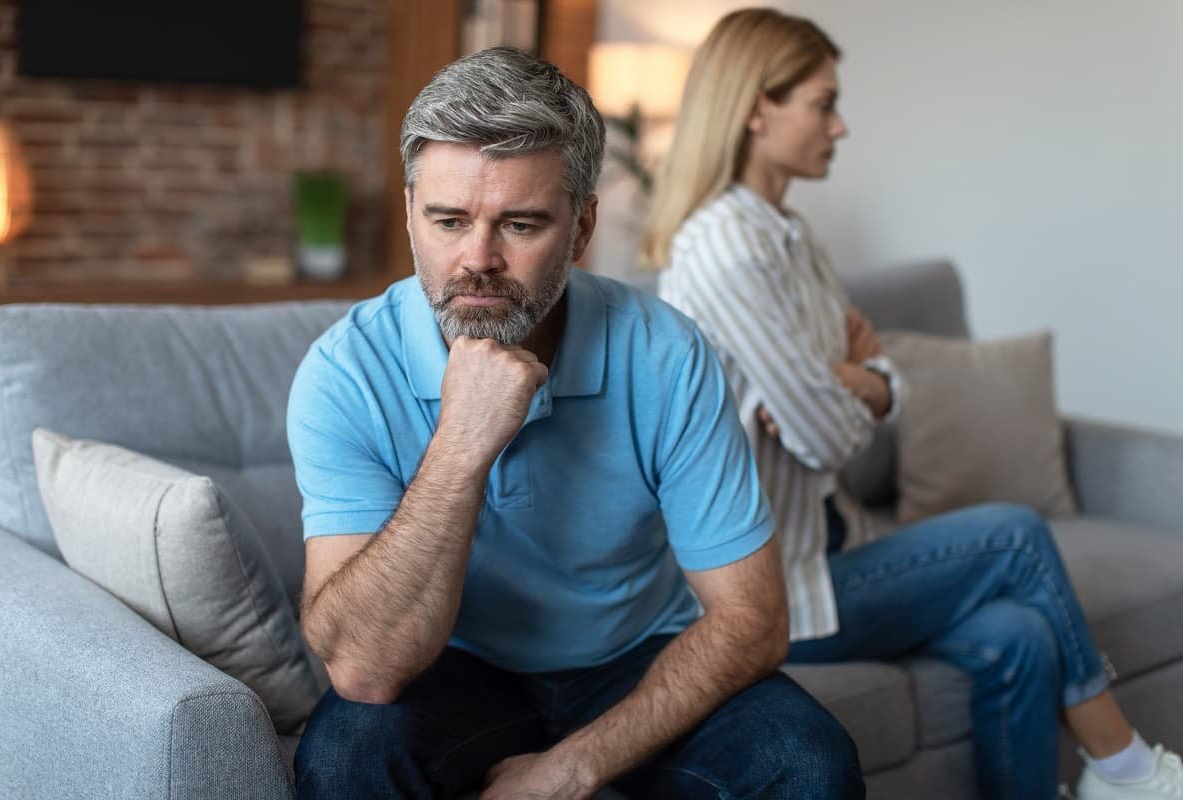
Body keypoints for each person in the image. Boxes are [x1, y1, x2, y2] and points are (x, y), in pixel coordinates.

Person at [286, 46, 864, 799]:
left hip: (633, 657)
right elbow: (364, 670)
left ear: (582, 225)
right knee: (343, 757)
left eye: (520, 224)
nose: (478, 260)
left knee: (811, 761)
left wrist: (574, 767)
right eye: (448, 219)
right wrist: (462, 442)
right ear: (408, 211)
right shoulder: (346, 372)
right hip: (454, 668)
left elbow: (752, 620)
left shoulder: (667, 354)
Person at [645, 9, 1182, 800]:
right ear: (758, 108)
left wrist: (869, 380)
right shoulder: (722, 248)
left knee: (1023, 636)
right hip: (776, 587)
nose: (842, 125)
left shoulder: (789, 235)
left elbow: (872, 378)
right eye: (824, 104)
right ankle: (1129, 770)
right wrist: (854, 384)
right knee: (1014, 535)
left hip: (837, 545)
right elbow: (829, 437)